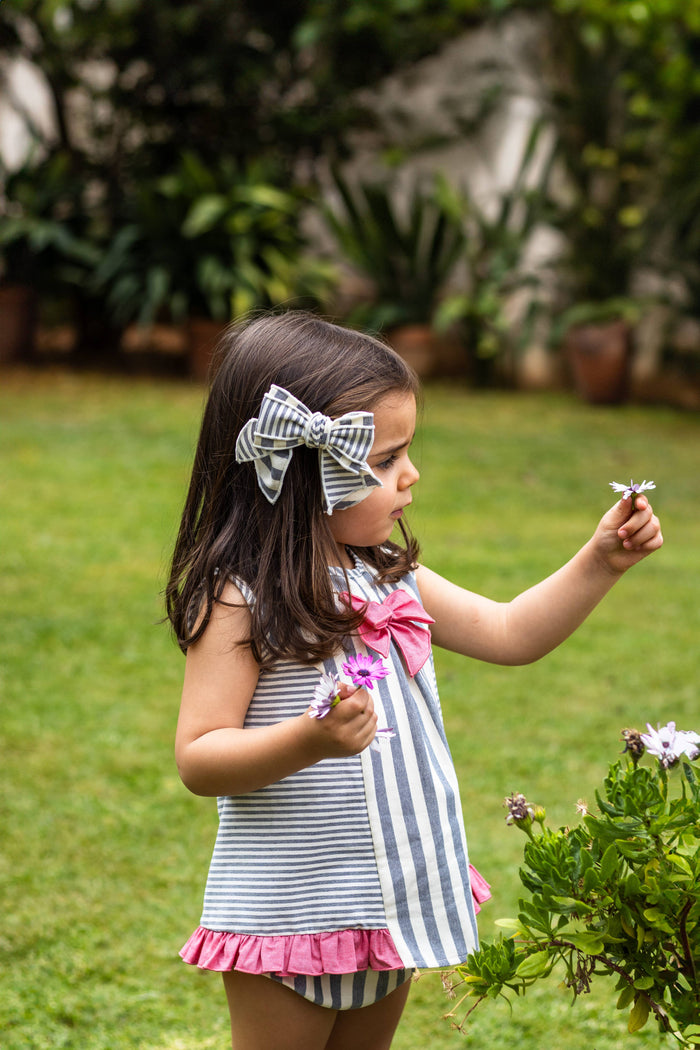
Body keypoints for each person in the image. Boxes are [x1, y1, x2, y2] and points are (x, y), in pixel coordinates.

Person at [166, 311, 663, 1050]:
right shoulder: (242, 597)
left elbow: (508, 632)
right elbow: (200, 757)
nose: (411, 475)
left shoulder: (388, 574)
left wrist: (599, 562)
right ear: (302, 467)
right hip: (295, 917)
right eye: (386, 458)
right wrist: (309, 738)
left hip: (394, 901)